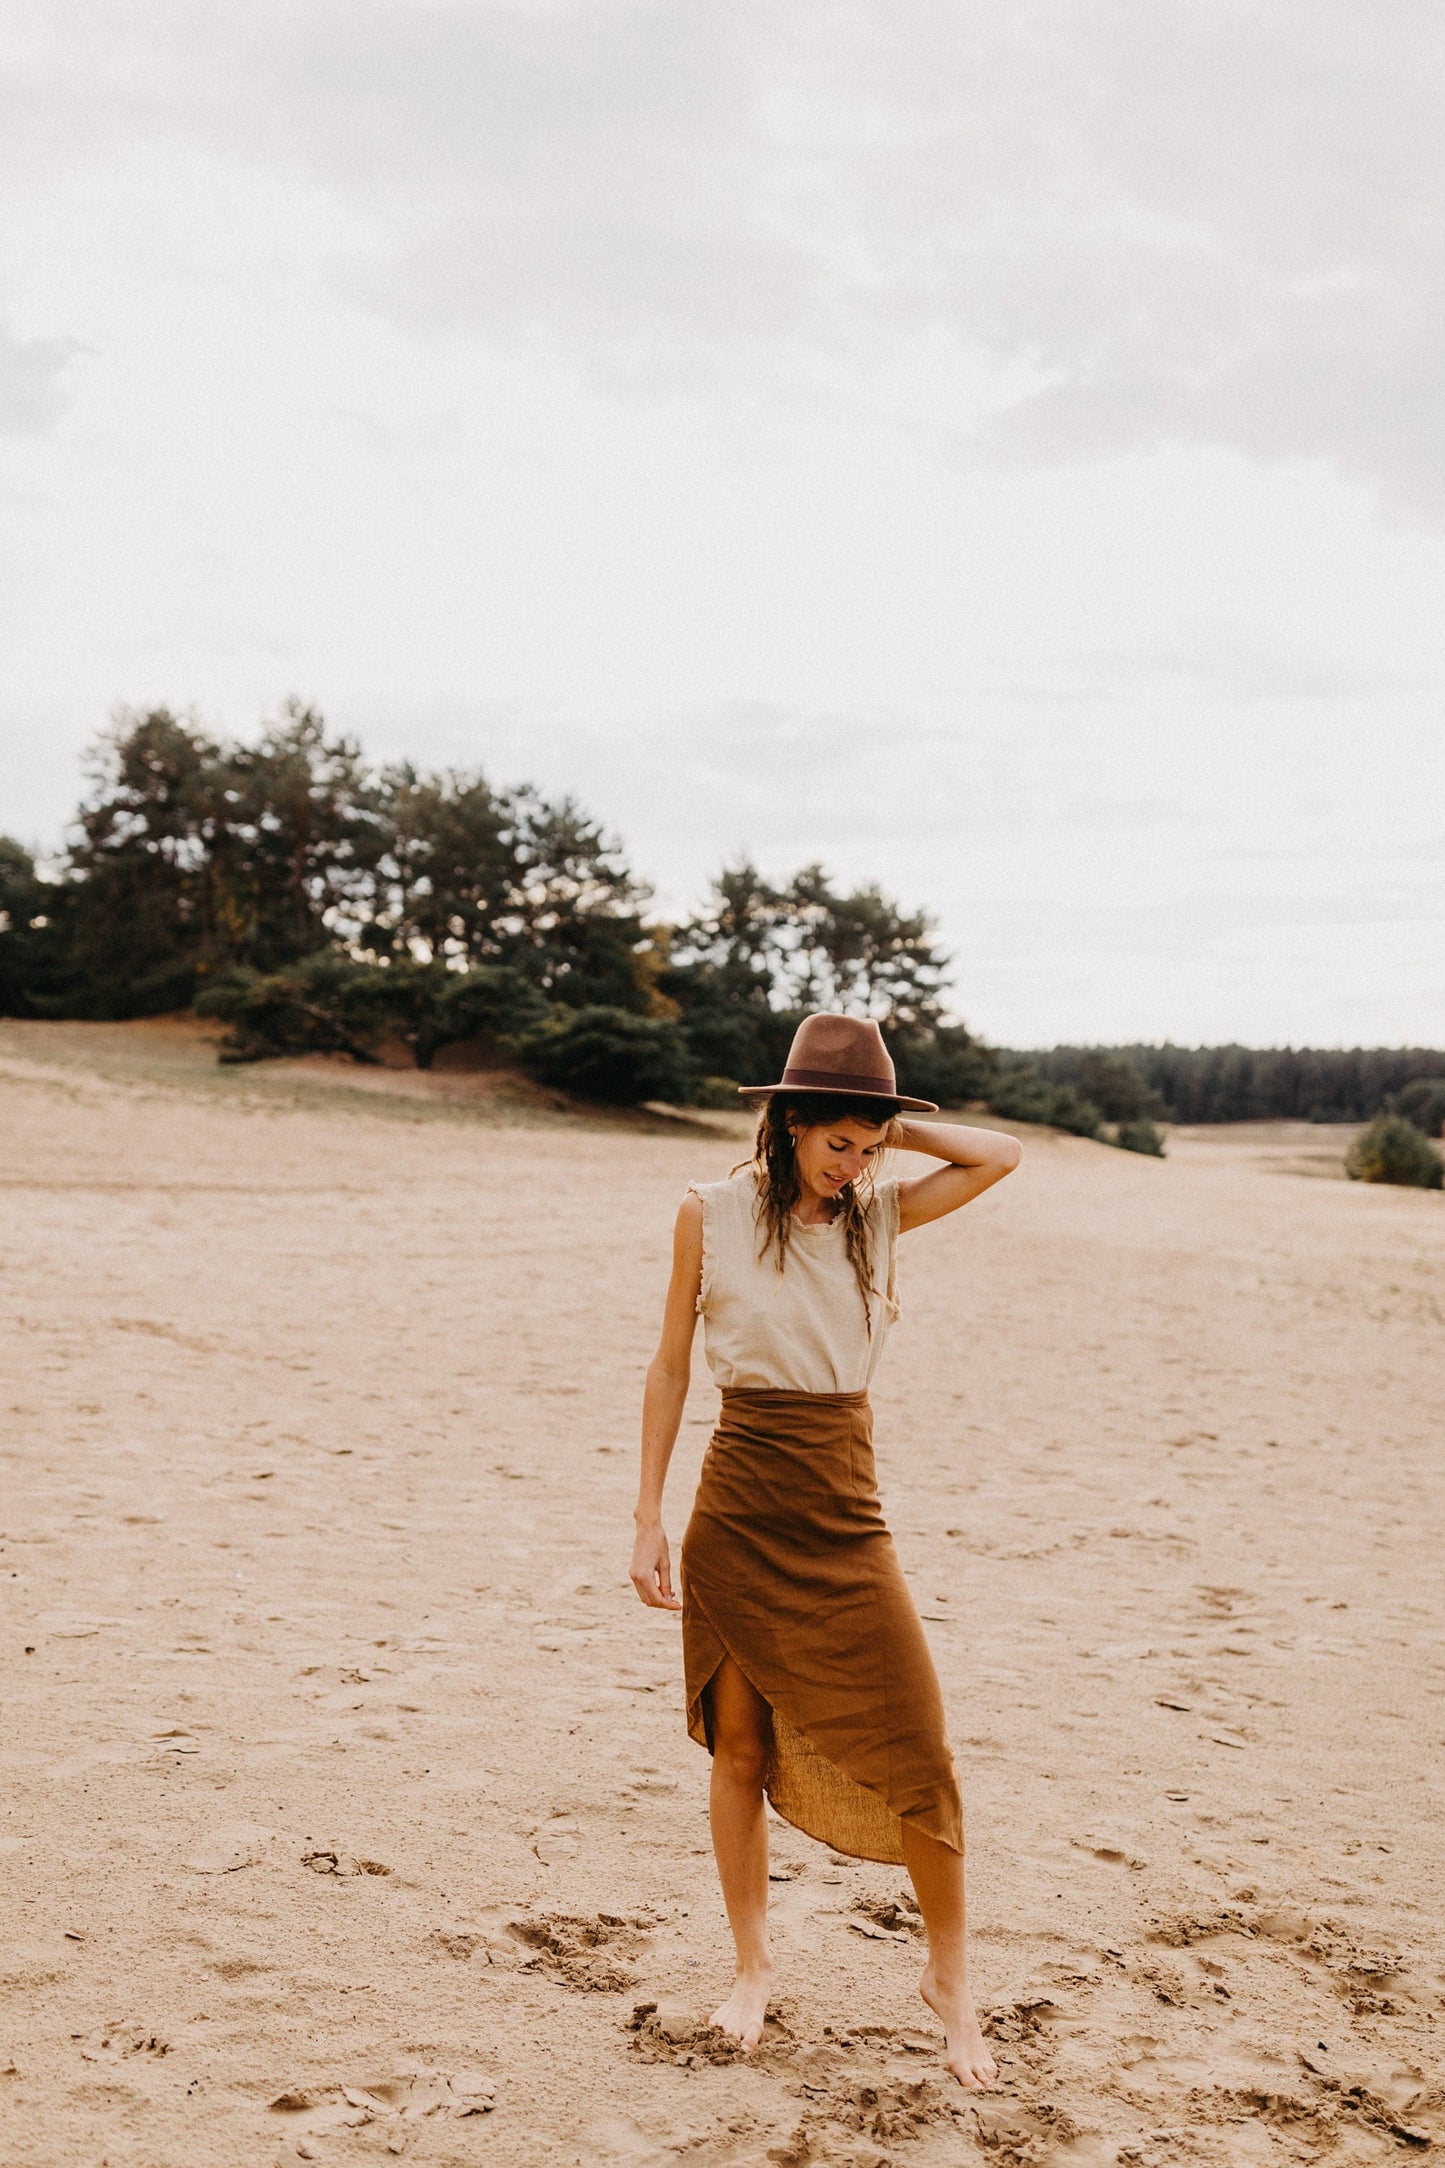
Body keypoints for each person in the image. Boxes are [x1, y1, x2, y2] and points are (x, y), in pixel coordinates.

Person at [630, 1012, 1021, 2092]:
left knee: (920, 1751)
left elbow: (1002, 1155)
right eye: (835, 1141)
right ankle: (752, 1966)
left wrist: (893, 1132)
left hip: (844, 1508)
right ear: (788, 1122)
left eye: (869, 1143)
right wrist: (645, 1514)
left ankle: (949, 1980)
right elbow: (668, 1367)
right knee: (739, 1749)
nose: (854, 1165)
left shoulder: (881, 1217)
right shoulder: (704, 1213)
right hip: (738, 1501)